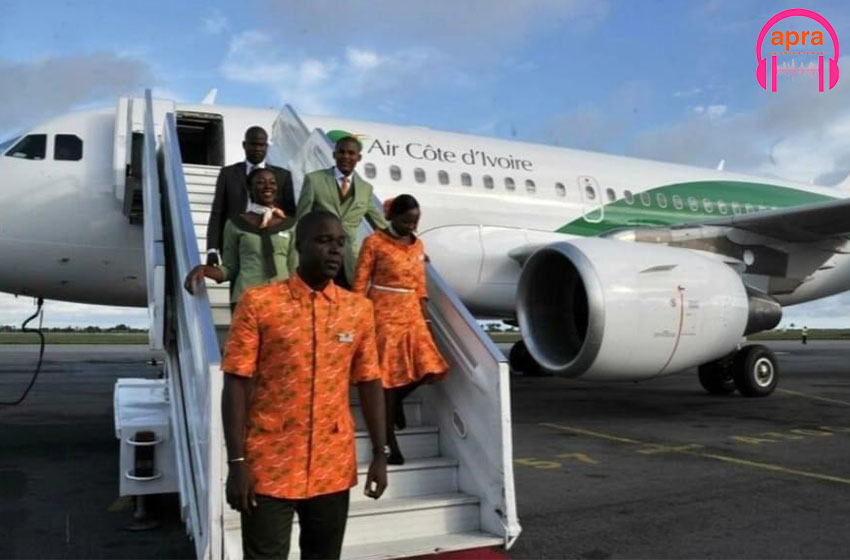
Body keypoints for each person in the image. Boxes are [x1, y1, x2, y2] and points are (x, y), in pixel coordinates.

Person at [220, 211, 389, 560]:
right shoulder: (260, 303)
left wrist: (379, 453)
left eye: (340, 243)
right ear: (299, 245)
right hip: (269, 463)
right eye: (324, 240)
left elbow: (370, 382)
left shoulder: (357, 310)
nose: (334, 251)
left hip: (332, 463)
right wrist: (236, 461)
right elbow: (236, 383)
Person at [353, 195, 448, 465]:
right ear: (391, 217)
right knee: (386, 379)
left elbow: (421, 286)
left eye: (415, 221)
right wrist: (358, 318)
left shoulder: (419, 245)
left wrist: (426, 320)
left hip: (411, 312)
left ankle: (395, 406)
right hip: (382, 312)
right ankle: (388, 445)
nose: (411, 226)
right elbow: (360, 282)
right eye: (406, 221)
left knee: (430, 367)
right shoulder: (374, 242)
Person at [185, 168, 296, 310]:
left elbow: (294, 269)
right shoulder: (235, 224)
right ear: (249, 188)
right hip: (246, 300)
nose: (268, 186)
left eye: (272, 183)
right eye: (261, 182)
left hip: (282, 301)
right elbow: (229, 269)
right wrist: (203, 270)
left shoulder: (290, 225)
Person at [295, 135, 387, 289]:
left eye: (351, 153)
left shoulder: (365, 189)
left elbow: (381, 225)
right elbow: (301, 221)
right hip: (319, 258)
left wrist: (410, 244)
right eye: (341, 152)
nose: (346, 157)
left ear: (359, 157)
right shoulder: (314, 180)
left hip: (348, 260)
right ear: (334, 155)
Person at [206, 126, 296, 267]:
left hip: (272, 245)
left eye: (262, 145)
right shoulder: (228, 173)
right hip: (235, 244)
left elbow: (290, 215)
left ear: (267, 146)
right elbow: (217, 213)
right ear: (244, 145)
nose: (258, 149)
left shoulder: (282, 176)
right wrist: (212, 249)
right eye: (253, 144)